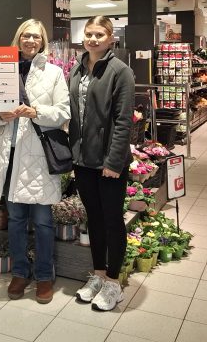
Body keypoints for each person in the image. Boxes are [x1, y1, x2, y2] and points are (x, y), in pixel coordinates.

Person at [0, 19, 69, 304]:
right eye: (25, 35)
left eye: (36, 36)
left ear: (42, 41)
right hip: (8, 156)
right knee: (16, 220)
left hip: (37, 157)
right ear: (18, 38)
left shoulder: (53, 73)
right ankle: (20, 272)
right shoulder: (1, 68)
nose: (30, 40)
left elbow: (63, 112)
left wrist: (35, 112)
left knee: (43, 221)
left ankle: (44, 275)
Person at [68, 15, 134, 312]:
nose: (93, 39)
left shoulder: (121, 71)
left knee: (112, 220)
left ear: (111, 39)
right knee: (93, 218)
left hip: (108, 161)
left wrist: (114, 161)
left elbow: (123, 120)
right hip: (83, 159)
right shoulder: (77, 69)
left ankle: (113, 282)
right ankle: (97, 274)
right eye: (89, 34)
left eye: (99, 35)